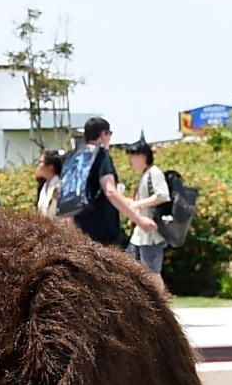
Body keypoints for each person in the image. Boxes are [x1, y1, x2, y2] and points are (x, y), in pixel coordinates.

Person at [63, 118, 152, 247]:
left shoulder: (74, 157)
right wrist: (139, 220)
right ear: (103, 134)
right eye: (109, 133)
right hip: (102, 229)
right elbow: (110, 191)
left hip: (79, 228)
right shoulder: (101, 155)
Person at [124, 138, 172, 282]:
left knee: (152, 274)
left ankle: (161, 304)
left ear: (143, 156)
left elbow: (163, 195)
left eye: (133, 156)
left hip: (151, 234)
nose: (130, 160)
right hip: (140, 234)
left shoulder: (154, 173)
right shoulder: (145, 175)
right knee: (129, 269)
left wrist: (138, 204)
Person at [35, 150, 64, 217]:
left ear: (51, 166)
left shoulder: (59, 186)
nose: (38, 165)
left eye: (41, 162)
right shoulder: (43, 185)